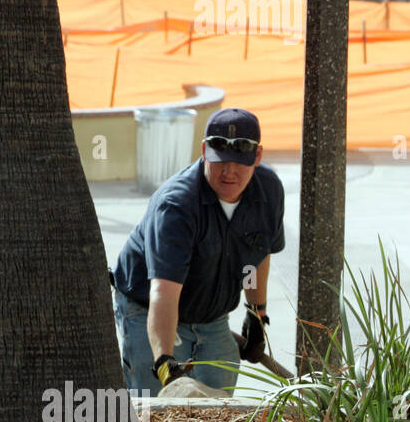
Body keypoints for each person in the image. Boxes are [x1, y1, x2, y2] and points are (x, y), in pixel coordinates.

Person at [110, 107, 285, 396]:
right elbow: (163, 292)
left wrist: (257, 313)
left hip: (212, 317)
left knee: (218, 409)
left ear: (257, 156)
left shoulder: (268, 192)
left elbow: (255, 257)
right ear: (204, 151)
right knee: (156, 407)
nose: (229, 172)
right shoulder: (176, 206)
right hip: (149, 309)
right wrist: (164, 361)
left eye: (239, 163)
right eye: (220, 162)